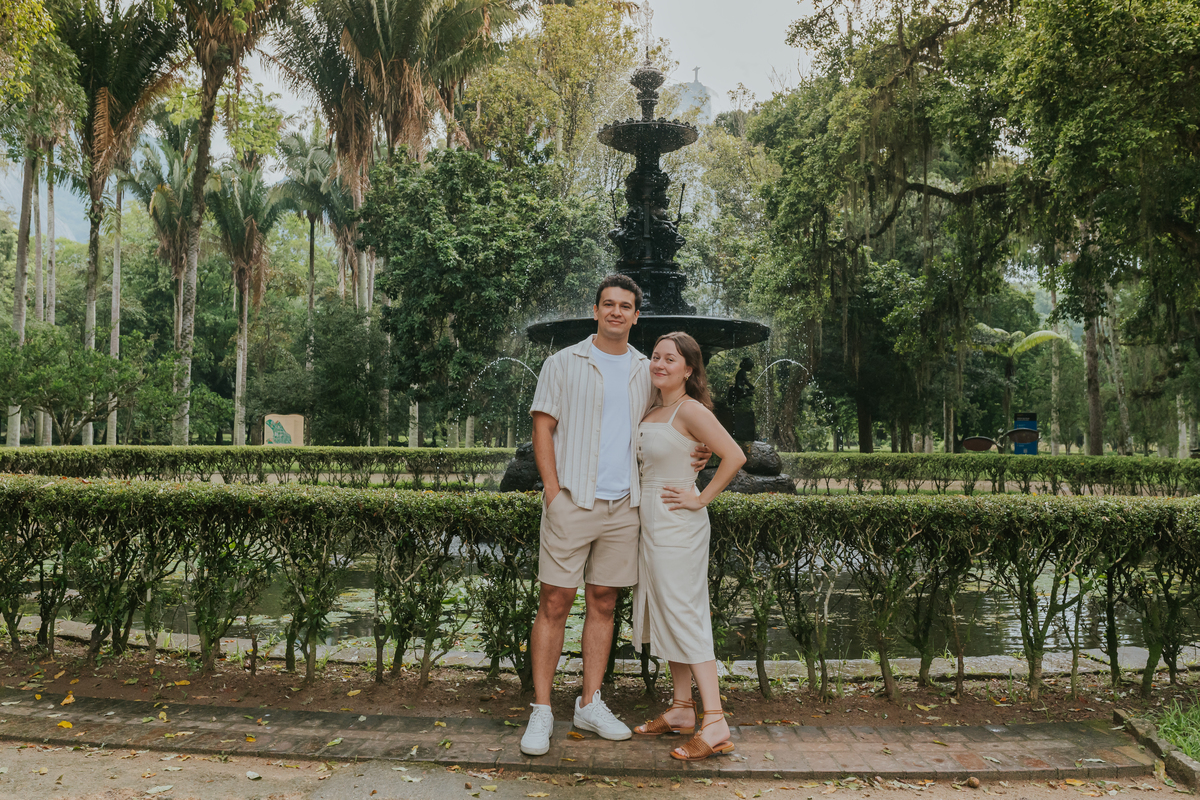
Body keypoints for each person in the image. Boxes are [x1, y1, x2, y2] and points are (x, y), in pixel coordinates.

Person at [520, 276, 710, 756]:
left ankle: (589, 703)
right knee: (555, 601)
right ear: (596, 309)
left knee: (604, 602)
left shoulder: (647, 371)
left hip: (625, 507)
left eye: (626, 306)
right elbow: (544, 428)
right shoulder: (562, 363)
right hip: (572, 501)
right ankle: (542, 711)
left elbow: (675, 416)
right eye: (609, 304)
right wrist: (551, 491)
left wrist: (700, 449)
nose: (617, 313)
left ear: (636, 315)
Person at [631, 332, 747, 761]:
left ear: (689, 369)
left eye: (670, 359)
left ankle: (714, 719)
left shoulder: (690, 409)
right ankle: (681, 709)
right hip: (650, 522)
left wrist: (700, 498)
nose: (659, 364)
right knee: (666, 612)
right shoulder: (655, 408)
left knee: (685, 613)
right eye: (656, 357)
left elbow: (734, 455)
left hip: (678, 524)